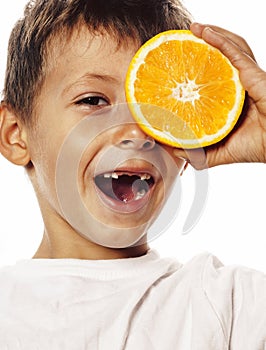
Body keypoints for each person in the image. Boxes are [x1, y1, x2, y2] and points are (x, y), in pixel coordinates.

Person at [0, 0, 265, 348]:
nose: (138, 133)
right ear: (16, 134)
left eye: (160, 109)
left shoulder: (231, 305)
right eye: (94, 101)